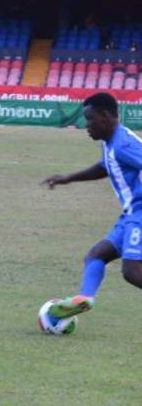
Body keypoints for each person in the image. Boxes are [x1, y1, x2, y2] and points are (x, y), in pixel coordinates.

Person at [42, 92, 142, 325]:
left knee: (132, 271)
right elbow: (106, 167)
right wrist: (68, 178)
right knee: (96, 255)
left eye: (90, 119)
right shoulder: (111, 141)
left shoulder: (123, 145)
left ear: (105, 117)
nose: (86, 125)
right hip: (130, 214)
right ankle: (84, 298)